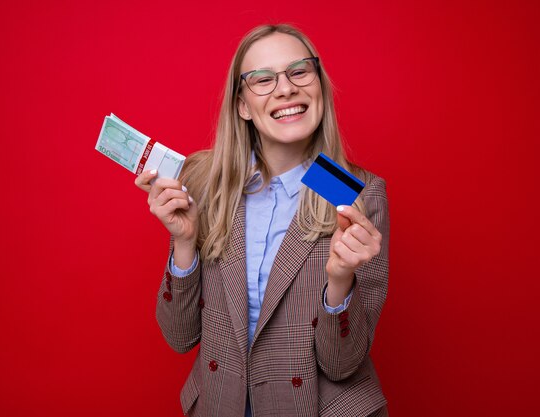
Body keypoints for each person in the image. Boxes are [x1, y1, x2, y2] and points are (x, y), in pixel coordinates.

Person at [135, 23, 389, 416]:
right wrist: (185, 244)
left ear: (318, 85)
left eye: (299, 71)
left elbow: (341, 364)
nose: (285, 88)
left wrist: (340, 281)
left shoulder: (356, 194)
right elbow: (180, 338)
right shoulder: (203, 182)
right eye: (263, 80)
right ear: (242, 105)